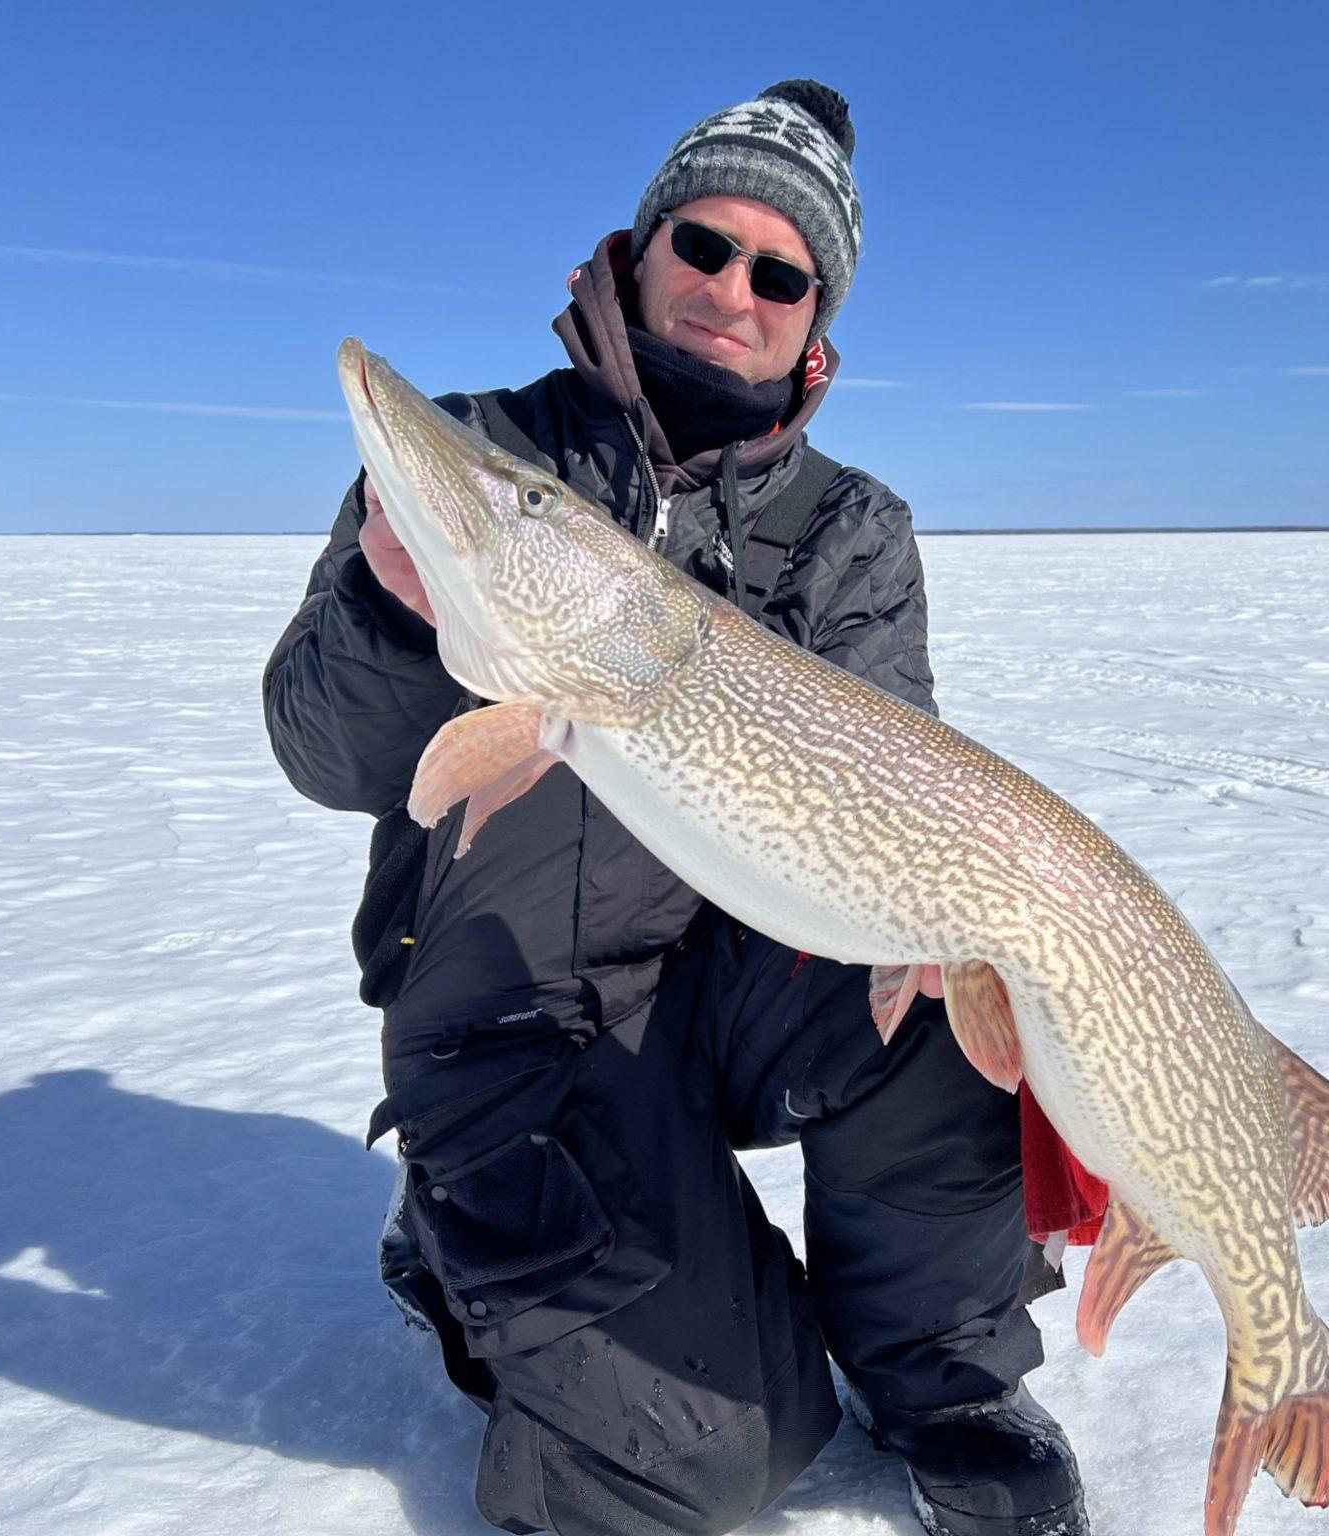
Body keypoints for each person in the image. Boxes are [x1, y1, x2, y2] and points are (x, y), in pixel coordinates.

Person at [263, 80, 1087, 1536]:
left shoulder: (852, 530)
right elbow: (326, 755)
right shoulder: (486, 453)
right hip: (519, 1013)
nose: (731, 290)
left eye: (780, 274)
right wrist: (395, 613)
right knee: (713, 1457)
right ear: (637, 252)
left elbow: (896, 796)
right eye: (703, 245)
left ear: (814, 324)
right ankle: (463, 1241)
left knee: (975, 998)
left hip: (742, 984)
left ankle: (943, 1377)